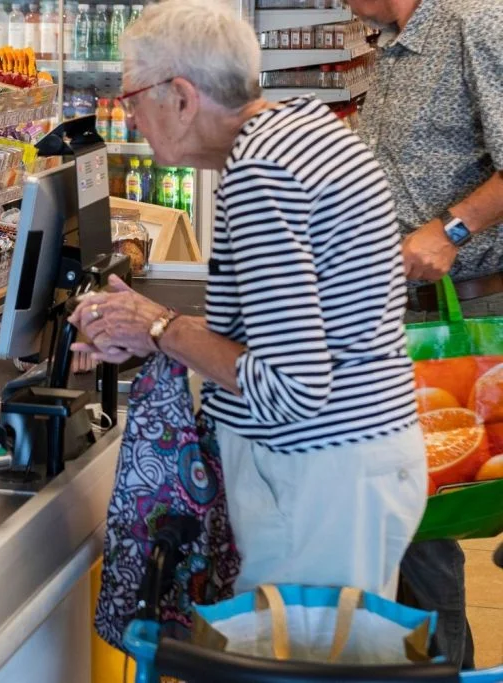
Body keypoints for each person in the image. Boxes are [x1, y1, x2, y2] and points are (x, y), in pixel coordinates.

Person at [72, 0, 426, 598]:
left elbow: (290, 385)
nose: (130, 119)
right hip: (355, 463)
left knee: (300, 658)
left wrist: (160, 326)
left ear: (181, 96)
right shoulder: (301, 131)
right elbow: (289, 325)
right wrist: (146, 333)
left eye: (132, 98)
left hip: (317, 477)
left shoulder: (262, 174)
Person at [344, 0, 503, 669]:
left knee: (438, 507)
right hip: (404, 320)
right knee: (412, 518)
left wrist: (453, 229)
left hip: (469, 324)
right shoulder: (391, 45)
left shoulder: (476, 24)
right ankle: (441, 667)